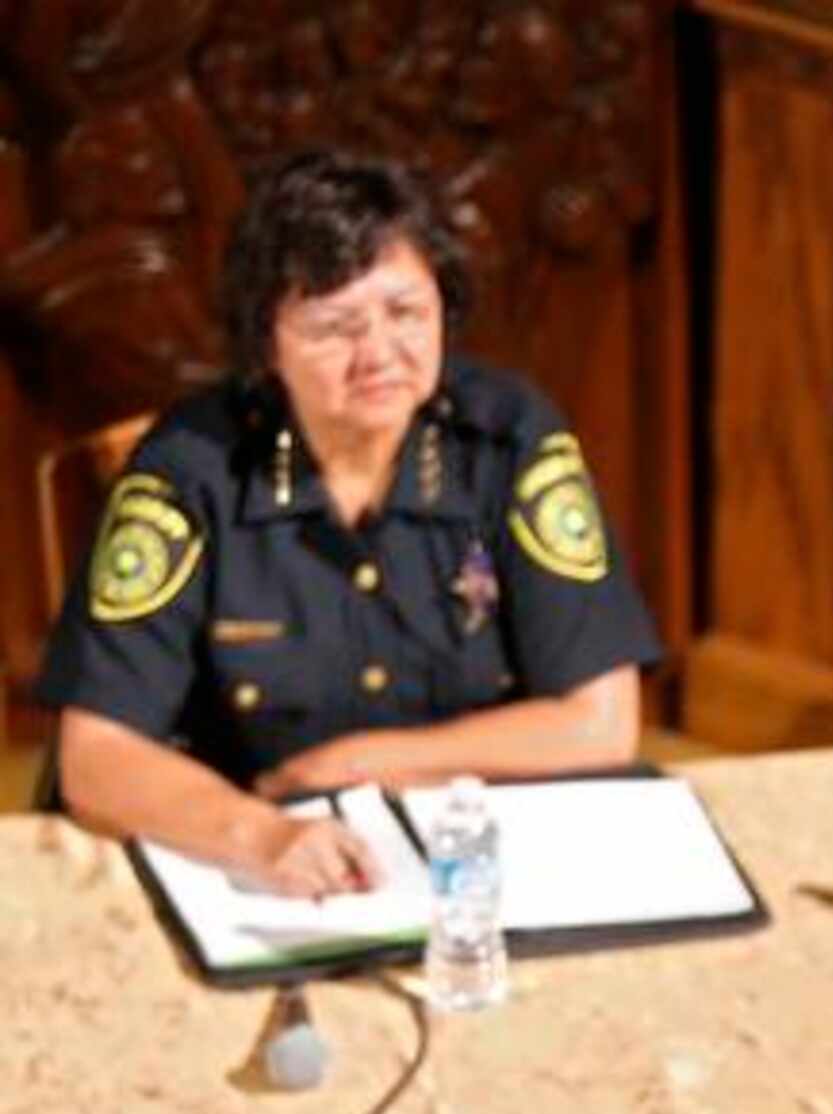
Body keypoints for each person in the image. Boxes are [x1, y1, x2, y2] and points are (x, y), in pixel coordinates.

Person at [37, 150, 660, 898]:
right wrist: (263, 834)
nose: (378, 356)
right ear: (267, 345)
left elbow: (598, 722)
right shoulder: (186, 471)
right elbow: (97, 757)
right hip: (242, 870)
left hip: (465, 866)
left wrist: (356, 767)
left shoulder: (510, 440)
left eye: (405, 314)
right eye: (333, 328)